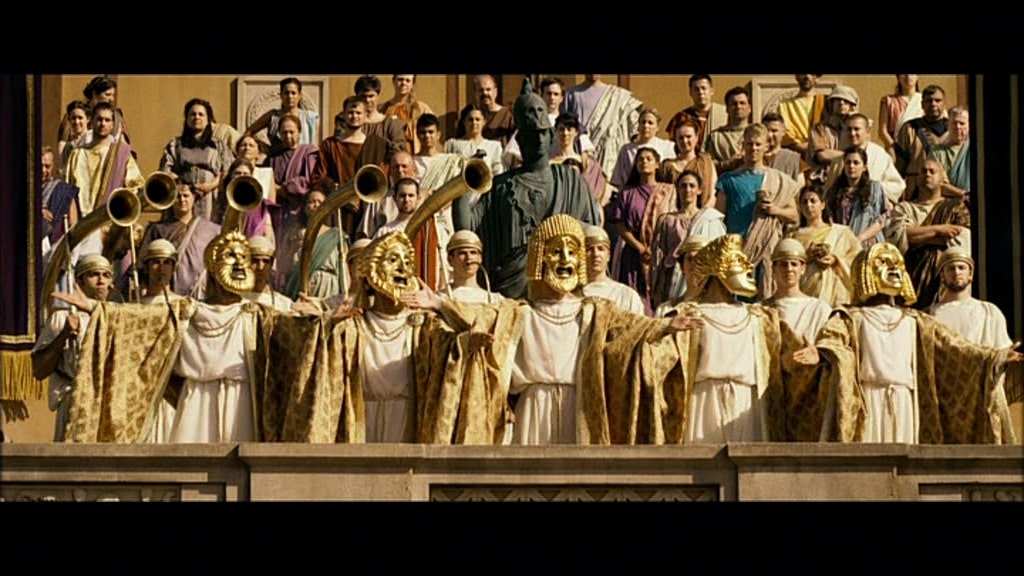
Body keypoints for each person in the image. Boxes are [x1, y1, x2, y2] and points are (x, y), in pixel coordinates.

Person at [403, 214, 704, 445]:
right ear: (540, 259)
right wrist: (438, 303)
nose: (565, 259)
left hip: (581, 407)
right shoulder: (519, 312)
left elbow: (633, 329)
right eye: (556, 251)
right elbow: (480, 314)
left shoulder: (595, 310)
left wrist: (666, 325)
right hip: (534, 406)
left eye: (572, 252)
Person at [795, 242, 1024, 444]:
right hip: (869, 400)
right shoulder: (851, 317)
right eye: (883, 263)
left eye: (897, 264)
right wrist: (822, 351)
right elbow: (833, 338)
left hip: (906, 401)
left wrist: (995, 356)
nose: (894, 269)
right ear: (865, 272)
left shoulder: (916, 320)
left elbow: (956, 347)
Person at [453, 78, 601, 299]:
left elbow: (592, 231)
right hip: (511, 291)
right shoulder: (501, 186)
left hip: (562, 288)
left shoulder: (571, 181)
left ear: (550, 136)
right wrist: (463, 184)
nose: (538, 140)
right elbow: (468, 229)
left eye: (542, 133)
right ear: (520, 140)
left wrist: (562, 229)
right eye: (531, 135)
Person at [659, 233, 816, 443]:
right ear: (719, 268)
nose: (747, 266)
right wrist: (665, 327)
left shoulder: (759, 315)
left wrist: (815, 356)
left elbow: (785, 357)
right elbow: (660, 360)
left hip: (747, 403)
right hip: (703, 402)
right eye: (738, 260)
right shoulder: (687, 314)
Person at [928, 247, 1019, 443]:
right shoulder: (930, 315)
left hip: (981, 393)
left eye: (962, 267)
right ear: (942, 275)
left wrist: (1002, 357)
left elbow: (1001, 352)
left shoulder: (989, 312)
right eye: (950, 268)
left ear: (971, 274)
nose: (956, 272)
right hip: (943, 397)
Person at [31, 255, 114, 441]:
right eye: (93, 274)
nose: (101, 280)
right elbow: (39, 370)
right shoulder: (61, 318)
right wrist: (64, 334)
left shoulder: (118, 318)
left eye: (106, 275)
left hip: (109, 404)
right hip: (75, 399)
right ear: (79, 281)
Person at [714, 124, 800, 299]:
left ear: (766, 146)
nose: (753, 148)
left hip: (766, 249)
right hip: (737, 253)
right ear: (743, 145)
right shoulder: (728, 179)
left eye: (758, 144)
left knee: (765, 300)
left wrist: (775, 210)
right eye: (749, 144)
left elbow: (794, 215)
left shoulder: (779, 180)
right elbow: (718, 219)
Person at [885, 159, 970, 309]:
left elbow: (963, 239)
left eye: (932, 171)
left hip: (944, 279)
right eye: (923, 171)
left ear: (942, 179)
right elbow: (899, 236)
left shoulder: (955, 207)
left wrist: (917, 237)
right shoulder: (904, 208)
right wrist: (940, 230)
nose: (927, 175)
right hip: (911, 276)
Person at [64, 102, 143, 260]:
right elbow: (68, 192)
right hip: (83, 228)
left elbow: (134, 188)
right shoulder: (78, 154)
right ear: (92, 121)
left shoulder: (121, 155)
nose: (102, 124)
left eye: (107, 120)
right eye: (99, 119)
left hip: (111, 231)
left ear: (113, 124)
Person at [648, 170, 726, 309]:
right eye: (683, 186)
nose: (687, 190)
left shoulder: (709, 219)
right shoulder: (667, 220)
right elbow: (658, 256)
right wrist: (656, 286)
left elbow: (719, 253)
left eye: (692, 186)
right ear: (677, 189)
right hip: (672, 278)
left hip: (701, 278)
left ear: (699, 190)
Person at [314, 96, 389, 238]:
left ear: (366, 116)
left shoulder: (376, 145)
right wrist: (344, 196)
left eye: (358, 113)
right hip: (337, 208)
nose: (354, 116)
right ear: (343, 114)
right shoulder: (330, 145)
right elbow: (319, 177)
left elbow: (382, 177)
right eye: (350, 112)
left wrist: (361, 198)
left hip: (368, 207)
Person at [610, 147, 671, 314]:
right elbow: (620, 225)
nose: (644, 162)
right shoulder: (627, 193)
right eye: (640, 159)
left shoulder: (668, 192)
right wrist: (640, 247)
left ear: (657, 164)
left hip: (661, 255)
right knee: (635, 302)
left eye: (648, 159)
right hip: (634, 254)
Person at [139, 183, 222, 298]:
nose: (182, 200)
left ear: (194, 198)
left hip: (201, 294)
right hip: (166, 294)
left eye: (186, 195)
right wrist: (143, 288)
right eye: (177, 196)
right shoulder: (158, 229)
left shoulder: (212, 230)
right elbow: (143, 263)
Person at [137, 240, 182, 443]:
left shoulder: (184, 305)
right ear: (147, 267)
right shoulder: (135, 306)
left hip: (173, 388)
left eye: (167, 262)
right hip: (143, 389)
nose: (161, 268)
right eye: (155, 262)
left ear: (173, 267)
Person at [160, 98, 235, 220]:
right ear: (187, 119)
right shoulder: (175, 144)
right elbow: (165, 171)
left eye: (201, 114)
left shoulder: (218, 145)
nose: (196, 117)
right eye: (193, 114)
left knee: (208, 228)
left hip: (211, 197)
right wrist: (184, 185)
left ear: (208, 119)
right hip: (183, 196)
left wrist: (210, 185)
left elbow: (227, 171)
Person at [562, 74, 643, 186]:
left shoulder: (617, 95)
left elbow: (634, 126)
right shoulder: (571, 94)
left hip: (608, 154)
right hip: (581, 152)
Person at [792, 186, 861, 307]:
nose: (809, 205)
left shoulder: (841, 233)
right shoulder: (794, 235)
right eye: (804, 202)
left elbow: (858, 259)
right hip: (804, 291)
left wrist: (836, 260)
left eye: (813, 201)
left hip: (834, 294)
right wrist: (807, 257)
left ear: (822, 204)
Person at [268, 113, 320, 273]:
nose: (288, 136)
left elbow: (308, 180)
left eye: (292, 132)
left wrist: (284, 188)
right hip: (280, 213)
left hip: (300, 211)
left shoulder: (309, 152)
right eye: (284, 132)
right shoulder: (274, 158)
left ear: (299, 132)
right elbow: (268, 181)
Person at [822, 113, 906, 206]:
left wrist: (872, 188)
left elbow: (898, 185)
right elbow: (829, 191)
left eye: (856, 129)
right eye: (849, 129)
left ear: (867, 131)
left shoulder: (880, 156)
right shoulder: (839, 160)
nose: (852, 133)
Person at [765, 238, 833, 344]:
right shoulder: (760, 310)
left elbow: (830, 346)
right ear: (774, 268)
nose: (789, 269)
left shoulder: (819, 310)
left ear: (803, 269)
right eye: (783, 264)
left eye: (794, 264)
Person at [824, 147, 890, 248]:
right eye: (848, 162)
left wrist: (860, 238)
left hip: (868, 244)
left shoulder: (875, 188)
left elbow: (882, 218)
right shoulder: (835, 190)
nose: (851, 166)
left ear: (864, 167)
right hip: (843, 244)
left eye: (856, 163)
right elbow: (830, 218)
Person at [895, 85, 950, 201]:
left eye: (938, 100)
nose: (933, 104)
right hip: (916, 192)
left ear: (945, 104)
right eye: (929, 101)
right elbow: (900, 167)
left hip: (949, 192)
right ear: (922, 104)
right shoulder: (909, 128)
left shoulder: (953, 129)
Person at [580, 224, 645, 314]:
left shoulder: (626, 295)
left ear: (608, 255)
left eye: (601, 249)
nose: (595, 254)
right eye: (589, 249)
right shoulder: (572, 297)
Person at [609, 107, 676, 192]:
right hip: (632, 192)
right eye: (643, 122)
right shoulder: (627, 150)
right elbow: (618, 180)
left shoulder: (667, 147)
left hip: (660, 193)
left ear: (657, 127)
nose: (646, 126)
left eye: (650, 123)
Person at [243, 77, 321, 149]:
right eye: (286, 93)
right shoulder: (273, 116)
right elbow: (249, 132)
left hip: (303, 158)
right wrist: (264, 148)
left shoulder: (309, 118)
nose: (290, 96)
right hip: (278, 158)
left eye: (293, 93)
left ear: (300, 95)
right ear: (281, 95)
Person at [805, 86, 859, 185]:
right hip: (824, 180)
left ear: (852, 106)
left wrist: (853, 121)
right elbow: (823, 155)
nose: (841, 103)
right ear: (831, 104)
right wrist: (851, 156)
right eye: (837, 100)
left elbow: (863, 152)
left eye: (846, 101)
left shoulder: (858, 129)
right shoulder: (820, 128)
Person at [657, 119, 717, 207]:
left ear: (696, 137)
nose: (685, 141)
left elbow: (712, 193)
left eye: (688, 136)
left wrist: (703, 213)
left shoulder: (705, 161)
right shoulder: (666, 166)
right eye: (681, 138)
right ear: (676, 140)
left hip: (704, 211)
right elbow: (661, 196)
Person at [665, 74, 727, 154]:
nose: (700, 92)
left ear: (711, 91)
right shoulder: (681, 117)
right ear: (690, 92)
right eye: (696, 89)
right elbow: (674, 147)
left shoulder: (725, 114)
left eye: (703, 88)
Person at [355, 74, 408, 159]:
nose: (367, 100)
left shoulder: (391, 124)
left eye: (371, 96)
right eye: (363, 96)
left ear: (378, 96)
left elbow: (399, 150)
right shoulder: (348, 121)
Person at [443, 230, 504, 304]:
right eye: (462, 253)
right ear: (450, 259)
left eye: (473, 252)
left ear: (480, 258)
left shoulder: (496, 300)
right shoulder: (440, 299)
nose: (469, 257)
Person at [444, 104, 505, 178]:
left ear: (484, 122)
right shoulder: (452, 144)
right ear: (464, 121)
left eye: (477, 119)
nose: (474, 123)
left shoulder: (494, 146)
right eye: (470, 119)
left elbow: (498, 172)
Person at [379, 75, 434, 155]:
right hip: (389, 154)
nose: (403, 83)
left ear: (412, 84)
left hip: (413, 155)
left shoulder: (421, 109)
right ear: (393, 81)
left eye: (407, 80)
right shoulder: (383, 108)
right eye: (400, 79)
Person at [773, 75, 827, 156]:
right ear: (796, 76)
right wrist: (808, 148)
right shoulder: (785, 106)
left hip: (822, 154)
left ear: (817, 78)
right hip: (795, 154)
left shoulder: (825, 103)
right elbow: (786, 134)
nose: (807, 76)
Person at [705, 87, 753, 172]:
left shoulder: (757, 133)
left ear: (749, 108)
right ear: (727, 109)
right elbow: (706, 165)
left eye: (742, 103)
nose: (738, 106)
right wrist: (727, 164)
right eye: (734, 104)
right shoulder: (716, 137)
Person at [414, 113, 465, 193]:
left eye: (431, 132)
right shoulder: (411, 162)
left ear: (438, 135)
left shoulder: (450, 161)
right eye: (423, 132)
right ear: (417, 134)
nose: (427, 135)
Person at [928, 107, 971, 201]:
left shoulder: (977, 149)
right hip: (947, 204)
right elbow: (938, 184)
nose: (958, 127)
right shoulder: (937, 153)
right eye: (954, 123)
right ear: (947, 125)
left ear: (969, 126)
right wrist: (964, 194)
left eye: (962, 123)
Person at [243, 236, 294, 312]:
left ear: (271, 265)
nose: (260, 267)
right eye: (255, 261)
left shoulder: (285, 304)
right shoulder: (235, 301)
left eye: (266, 261)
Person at [878, 75, 922, 159]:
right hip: (895, 150)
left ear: (917, 76)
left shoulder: (925, 100)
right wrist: (893, 148)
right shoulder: (888, 101)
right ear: (898, 77)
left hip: (920, 150)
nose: (908, 77)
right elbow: (882, 131)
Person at [474, 74, 516, 148]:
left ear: (495, 92)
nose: (485, 93)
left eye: (488, 89)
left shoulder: (507, 115)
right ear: (475, 93)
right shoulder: (471, 117)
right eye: (481, 90)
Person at [56, 100, 90, 177]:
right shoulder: (67, 145)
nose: (76, 121)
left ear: (88, 119)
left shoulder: (92, 139)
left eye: (80, 118)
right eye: (73, 118)